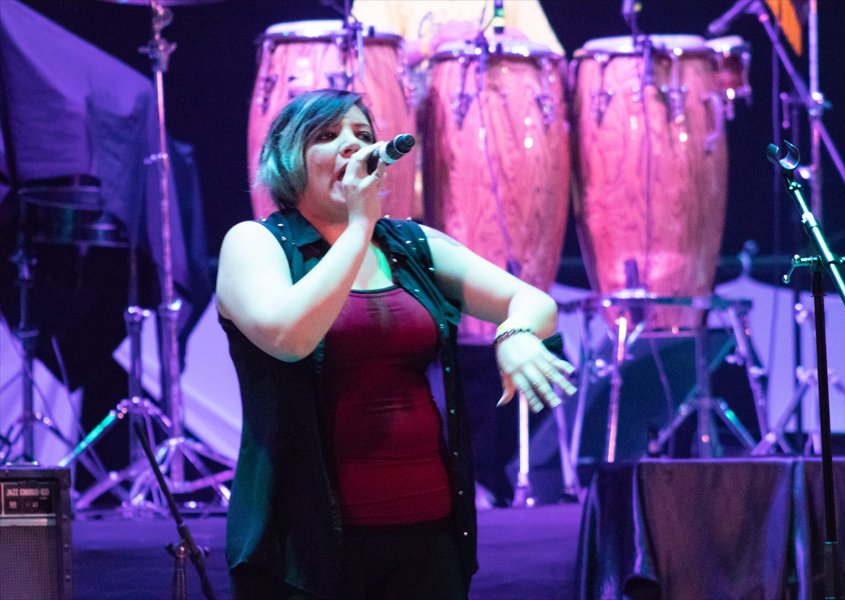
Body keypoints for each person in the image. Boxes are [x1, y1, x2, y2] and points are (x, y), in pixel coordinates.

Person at [217, 88, 576, 599]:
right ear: (288, 156)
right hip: (306, 542)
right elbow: (289, 338)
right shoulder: (255, 243)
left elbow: (533, 301)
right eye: (328, 135)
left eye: (363, 134)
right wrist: (359, 224)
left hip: (428, 528)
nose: (352, 145)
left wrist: (514, 333)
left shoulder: (409, 244)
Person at [351, 0, 564, 66]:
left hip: (497, 132)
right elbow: (363, 63)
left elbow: (560, 68)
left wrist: (527, 52)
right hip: (411, 132)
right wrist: (429, 45)